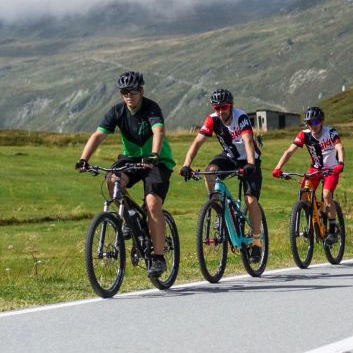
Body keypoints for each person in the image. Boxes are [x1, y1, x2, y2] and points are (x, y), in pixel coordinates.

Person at [75, 71, 175, 277]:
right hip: (131, 160)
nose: (129, 96)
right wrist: (83, 159)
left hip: (157, 162)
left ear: (141, 91)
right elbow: (99, 134)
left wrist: (154, 155)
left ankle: (158, 257)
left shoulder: (151, 108)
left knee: (152, 203)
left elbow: (159, 131)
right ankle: (130, 217)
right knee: (112, 180)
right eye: (124, 92)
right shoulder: (117, 111)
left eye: (133, 91)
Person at [178, 88, 264, 263]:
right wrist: (186, 164)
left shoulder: (240, 117)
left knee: (250, 200)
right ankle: (217, 206)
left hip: (249, 159)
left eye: (223, 107)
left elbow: (248, 140)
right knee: (209, 172)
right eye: (216, 107)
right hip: (230, 157)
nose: (220, 111)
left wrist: (250, 164)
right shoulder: (212, 120)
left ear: (230, 105)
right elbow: (197, 142)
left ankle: (256, 241)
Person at [271, 106, 345, 244]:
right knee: (304, 193)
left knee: (326, 194)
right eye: (309, 123)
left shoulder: (330, 132)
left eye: (315, 122)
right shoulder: (304, 135)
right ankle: (314, 220)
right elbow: (290, 151)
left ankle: (333, 231)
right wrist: (278, 167)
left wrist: (340, 163)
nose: (312, 126)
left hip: (331, 170)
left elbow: (339, 147)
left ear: (321, 121)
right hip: (315, 169)